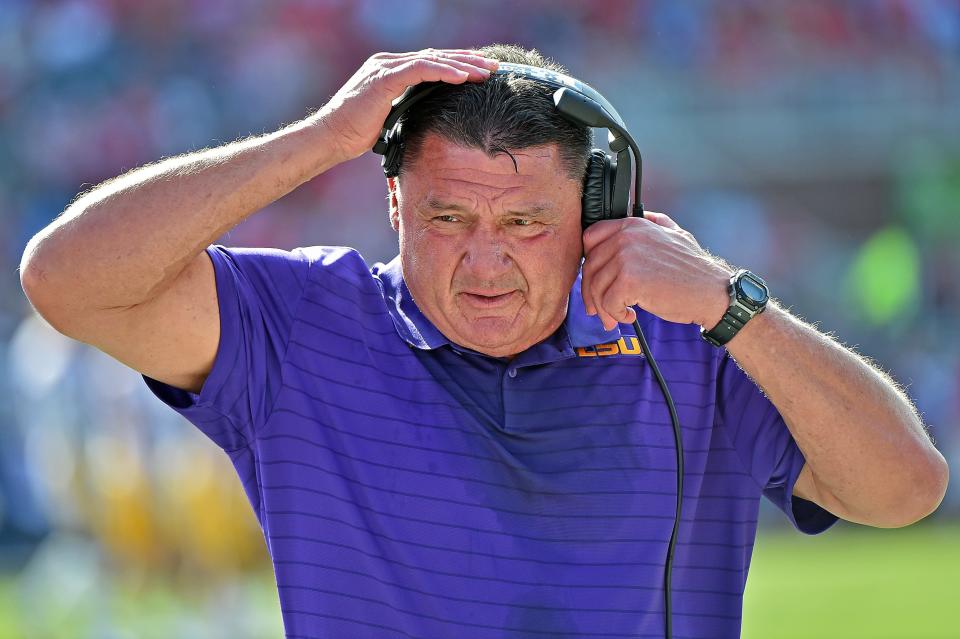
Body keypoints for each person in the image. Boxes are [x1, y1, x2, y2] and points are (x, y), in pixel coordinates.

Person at [19, 44, 948, 638]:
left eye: (527, 222)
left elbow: (906, 488)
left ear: (598, 214)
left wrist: (734, 304)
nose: (485, 261)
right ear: (393, 205)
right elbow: (64, 278)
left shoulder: (698, 338)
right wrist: (317, 137)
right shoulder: (298, 324)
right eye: (448, 215)